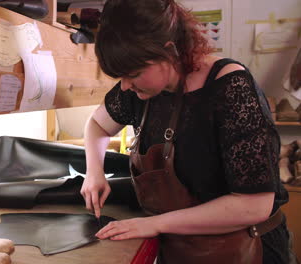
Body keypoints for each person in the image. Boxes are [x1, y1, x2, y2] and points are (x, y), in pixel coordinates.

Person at [80, 0, 293, 263]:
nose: (124, 87)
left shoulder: (230, 88)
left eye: (133, 73)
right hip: (179, 248)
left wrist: (156, 224)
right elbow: (97, 125)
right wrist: (94, 172)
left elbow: (254, 206)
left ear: (169, 52)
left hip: (246, 249)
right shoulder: (138, 90)